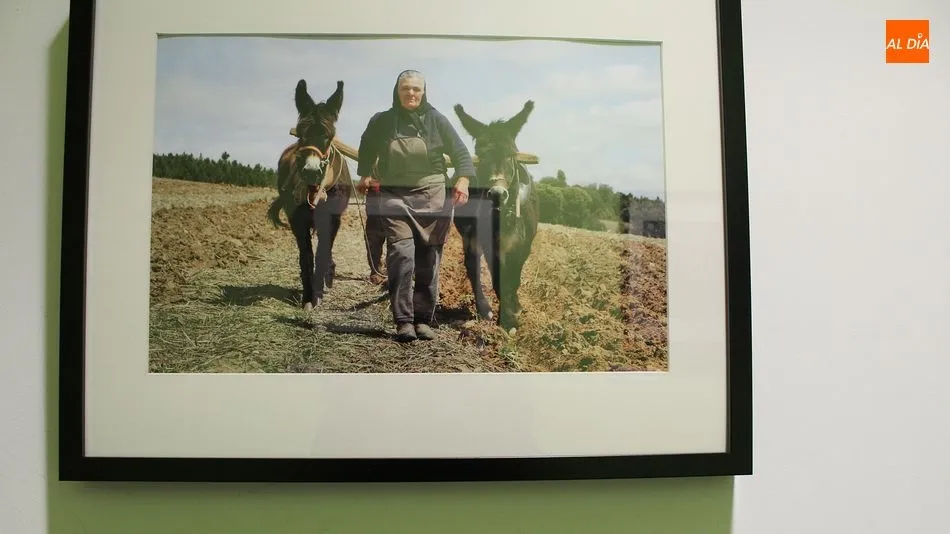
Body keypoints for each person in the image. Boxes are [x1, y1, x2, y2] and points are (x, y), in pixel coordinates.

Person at [355, 69, 475, 342]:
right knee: (401, 255)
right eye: (406, 88)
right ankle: (403, 321)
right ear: (397, 92)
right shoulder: (382, 121)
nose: (411, 93)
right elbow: (366, 145)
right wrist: (364, 173)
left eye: (416, 89)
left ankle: (422, 320)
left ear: (424, 92)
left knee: (429, 261)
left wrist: (464, 180)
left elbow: (460, 152)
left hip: (432, 195)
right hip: (394, 197)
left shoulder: (437, 120)